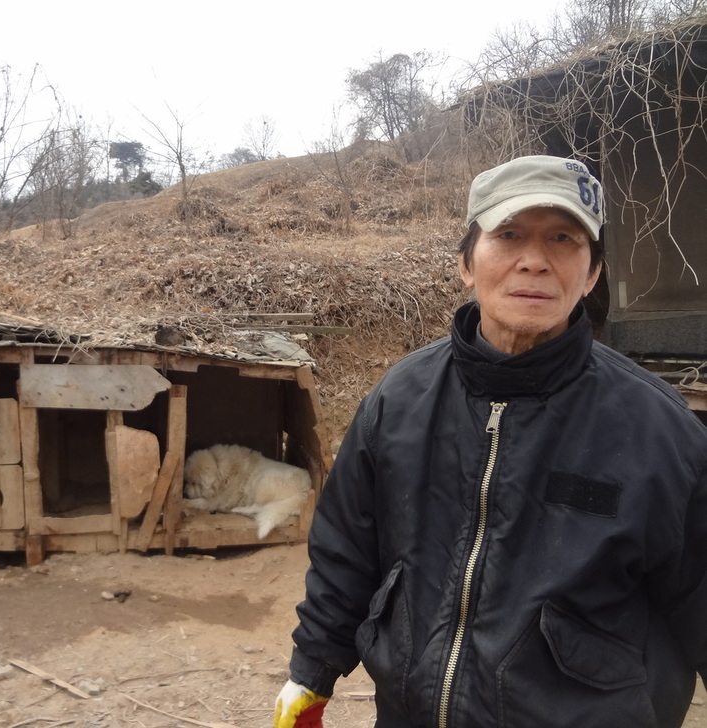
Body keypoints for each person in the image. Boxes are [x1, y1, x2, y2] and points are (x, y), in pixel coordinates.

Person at [273, 155, 707, 728]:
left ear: (593, 272)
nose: (534, 261)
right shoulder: (399, 399)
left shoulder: (659, 429)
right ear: (466, 264)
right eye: (508, 235)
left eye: (563, 238)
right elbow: (347, 550)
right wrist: (312, 672)